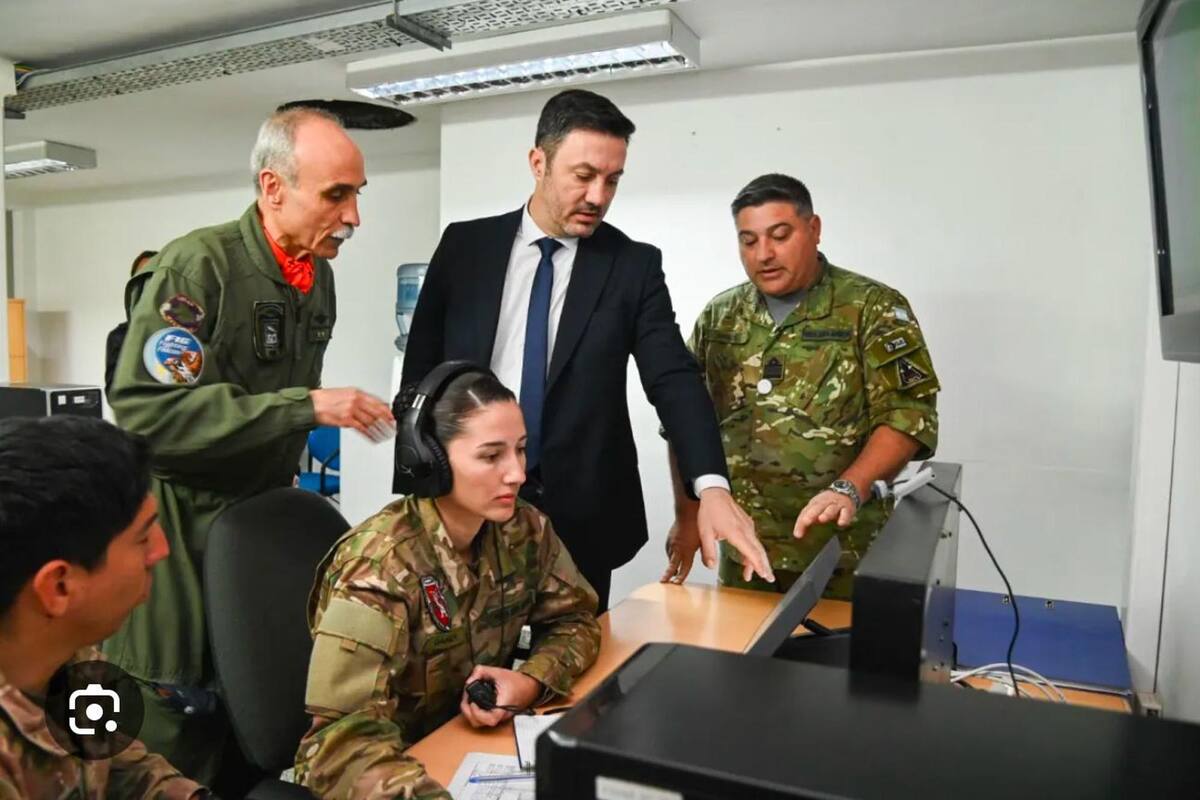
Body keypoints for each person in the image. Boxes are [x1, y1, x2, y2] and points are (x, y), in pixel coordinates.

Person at [106, 106, 395, 781]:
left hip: (256, 524)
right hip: (179, 537)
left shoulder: (315, 277)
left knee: (259, 724)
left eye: (357, 195)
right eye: (336, 195)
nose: (354, 217)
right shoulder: (197, 269)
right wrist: (306, 406)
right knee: (175, 723)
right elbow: (148, 410)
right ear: (273, 189)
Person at [401, 89, 772, 611]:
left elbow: (672, 378)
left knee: (574, 670)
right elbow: (420, 376)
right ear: (538, 162)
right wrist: (422, 482)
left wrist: (711, 487)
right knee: (463, 666)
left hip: (579, 517)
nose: (598, 195)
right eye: (583, 175)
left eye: (613, 179)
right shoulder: (464, 248)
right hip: (465, 503)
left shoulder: (631, 266)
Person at [295, 362, 600, 798]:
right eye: (491, 456)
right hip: (397, 773)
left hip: (465, 749)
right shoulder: (378, 568)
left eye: (520, 449)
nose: (516, 473)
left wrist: (528, 680)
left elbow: (576, 620)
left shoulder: (523, 529)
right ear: (429, 459)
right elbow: (338, 744)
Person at [663, 174, 940, 598]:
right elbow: (684, 423)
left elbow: (909, 417)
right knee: (747, 660)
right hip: (749, 554)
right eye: (748, 240)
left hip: (847, 553)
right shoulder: (721, 318)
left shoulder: (871, 308)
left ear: (813, 230)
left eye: (779, 235)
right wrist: (688, 516)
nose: (764, 254)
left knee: (842, 662)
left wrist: (851, 485)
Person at [0, 415, 207, 798]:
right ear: (59, 587)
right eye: (143, 538)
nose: (161, 550)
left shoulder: (65, 654)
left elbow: (122, 769)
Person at [105, 249, 159, 400]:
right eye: (142, 279)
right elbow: (114, 395)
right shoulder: (120, 336)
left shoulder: (186, 332)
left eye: (153, 278)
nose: (148, 286)